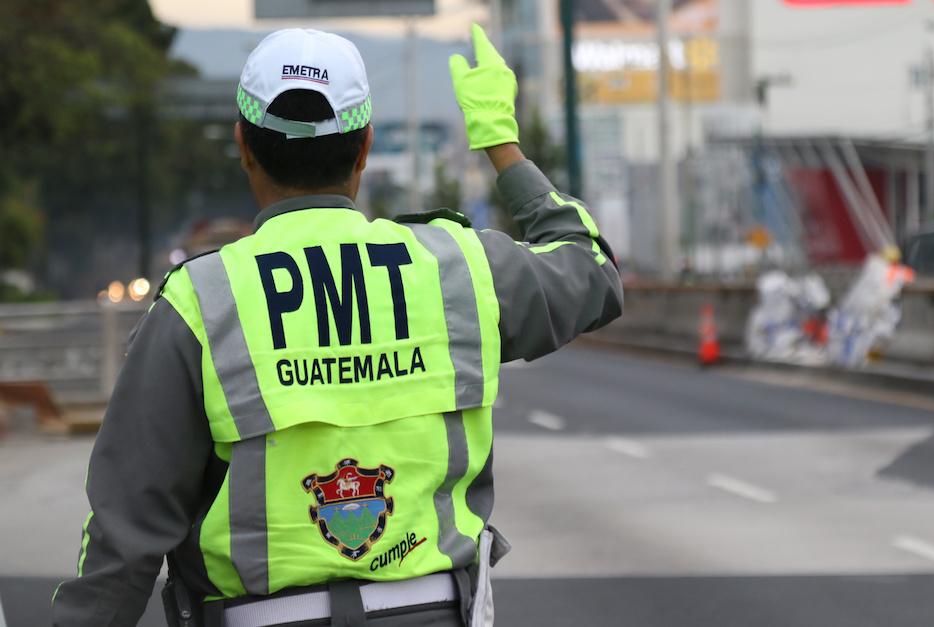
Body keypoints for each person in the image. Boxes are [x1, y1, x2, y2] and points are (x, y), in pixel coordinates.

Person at [52, 24, 623, 627]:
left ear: (244, 145)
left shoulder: (201, 303)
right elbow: (592, 272)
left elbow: (125, 537)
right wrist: (501, 144)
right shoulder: (456, 268)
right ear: (365, 147)